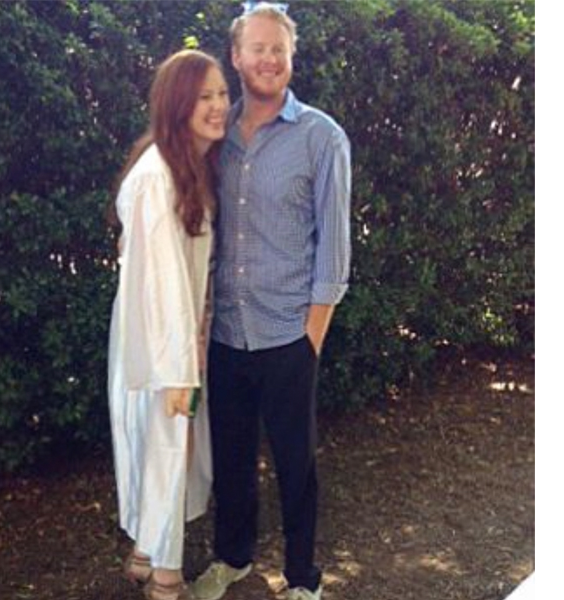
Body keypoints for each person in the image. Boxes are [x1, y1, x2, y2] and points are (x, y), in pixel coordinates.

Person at [190, 4, 352, 600]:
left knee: (296, 468)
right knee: (231, 462)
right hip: (227, 335)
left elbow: (333, 248)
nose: (268, 60)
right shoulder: (214, 134)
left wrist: (311, 337)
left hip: (289, 336)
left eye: (278, 50)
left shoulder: (321, 137)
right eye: (256, 48)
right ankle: (232, 559)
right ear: (236, 56)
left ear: (291, 58)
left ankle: (303, 581)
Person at [107, 49, 230, 600]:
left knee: (161, 452)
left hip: (173, 342)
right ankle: (165, 579)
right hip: (162, 347)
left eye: (222, 93)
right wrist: (180, 367)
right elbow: (160, 286)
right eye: (204, 96)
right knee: (165, 453)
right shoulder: (160, 177)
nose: (218, 105)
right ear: (177, 104)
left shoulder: (185, 167)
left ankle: (144, 556)